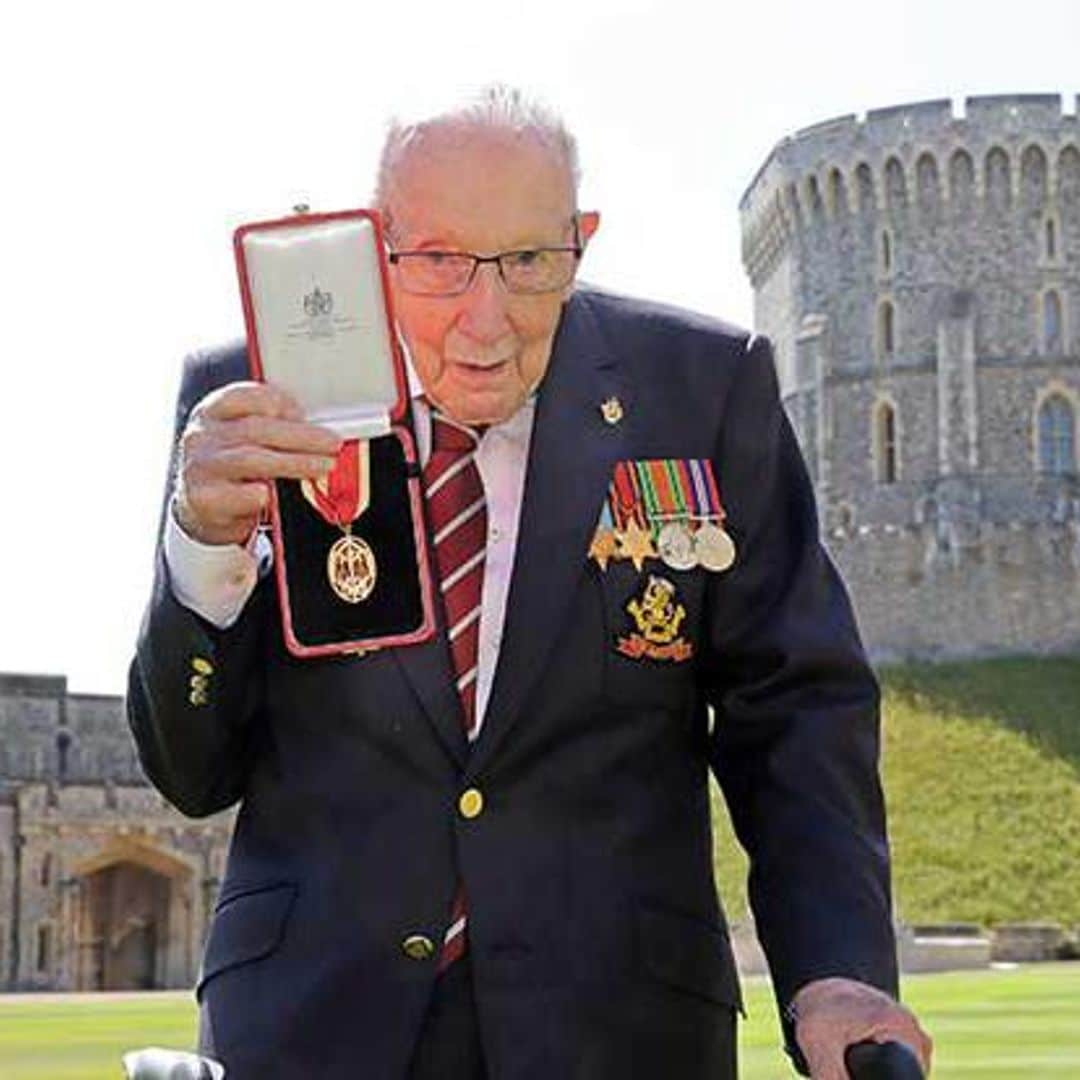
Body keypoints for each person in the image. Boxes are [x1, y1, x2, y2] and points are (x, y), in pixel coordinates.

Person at [128, 86, 932, 1080]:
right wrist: (202, 550)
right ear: (375, 246)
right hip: (310, 1031)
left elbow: (798, 710)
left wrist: (839, 970)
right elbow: (192, 771)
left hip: (621, 1034)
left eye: (528, 262)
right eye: (439, 261)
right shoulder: (255, 398)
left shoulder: (703, 388)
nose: (486, 318)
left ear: (580, 239)